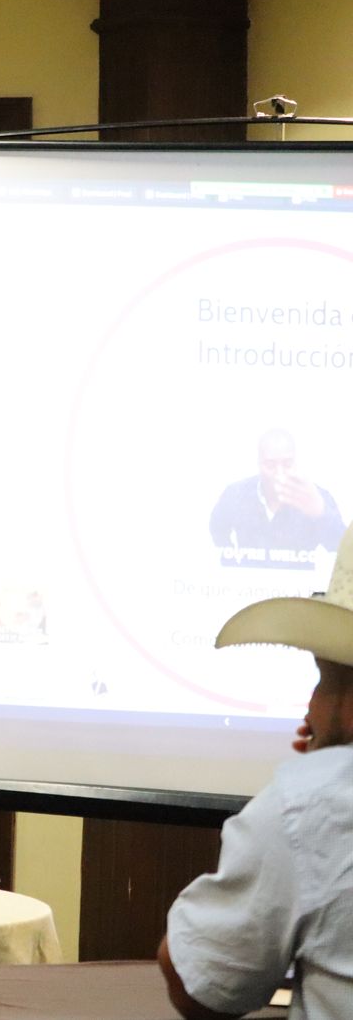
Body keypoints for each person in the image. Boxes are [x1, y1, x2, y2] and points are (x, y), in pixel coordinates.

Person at [157, 524, 353, 1019]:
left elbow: (201, 986)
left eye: (323, 681)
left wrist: (317, 780)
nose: (310, 708)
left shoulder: (311, 803)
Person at [209, 428, 344, 568]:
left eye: (287, 464)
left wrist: (321, 513)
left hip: (299, 581)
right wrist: (229, 561)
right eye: (270, 465)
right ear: (259, 463)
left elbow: (342, 549)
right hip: (248, 579)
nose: (280, 472)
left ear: (296, 462)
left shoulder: (314, 496)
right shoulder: (236, 494)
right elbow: (216, 528)